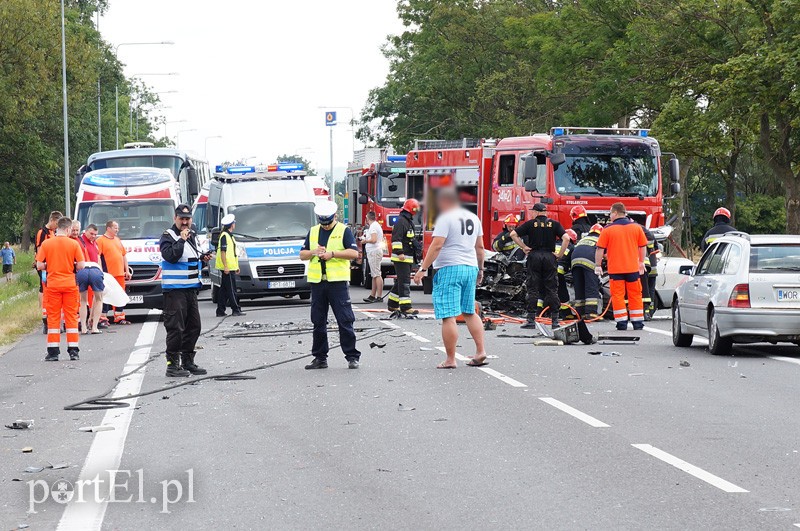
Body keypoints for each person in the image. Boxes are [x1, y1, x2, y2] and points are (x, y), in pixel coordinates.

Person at [413, 188, 487, 369]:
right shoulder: (473, 218)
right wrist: (480, 269)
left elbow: (437, 245)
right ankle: (480, 351)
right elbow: (480, 247)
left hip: (449, 268)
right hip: (470, 267)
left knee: (448, 315)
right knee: (469, 311)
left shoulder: (445, 218)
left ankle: (450, 359)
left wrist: (423, 268)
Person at [300, 201, 361, 370]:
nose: (326, 226)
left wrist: (332, 254)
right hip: (318, 283)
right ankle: (320, 358)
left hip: (337, 283)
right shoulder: (313, 231)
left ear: (335, 216)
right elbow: (302, 254)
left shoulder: (343, 230)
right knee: (318, 321)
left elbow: (354, 253)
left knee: (345, 320)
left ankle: (352, 357)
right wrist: (314, 252)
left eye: (328, 223)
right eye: (323, 223)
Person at [159, 204, 211, 377]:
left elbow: (190, 259)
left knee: (194, 327)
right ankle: (172, 365)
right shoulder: (168, 236)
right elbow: (171, 257)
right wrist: (181, 240)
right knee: (176, 328)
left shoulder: (192, 236)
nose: (184, 222)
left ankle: (187, 361)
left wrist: (203, 259)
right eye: (181, 218)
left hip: (191, 289)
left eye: (187, 219)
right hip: (174, 291)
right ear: (175, 218)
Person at [510, 202, 570, 329]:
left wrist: (524, 247)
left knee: (533, 288)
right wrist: (559, 254)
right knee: (552, 288)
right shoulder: (555, 224)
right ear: (545, 212)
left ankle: (531, 320)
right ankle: (555, 321)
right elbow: (566, 238)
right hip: (549, 257)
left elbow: (513, 234)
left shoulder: (530, 224)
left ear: (536, 212)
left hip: (534, 256)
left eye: (533, 211)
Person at [36, 217, 85, 361]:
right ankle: (73, 351)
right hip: (70, 285)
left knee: (53, 318)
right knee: (71, 317)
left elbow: (39, 265)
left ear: (57, 228)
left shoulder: (47, 243)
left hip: (53, 285)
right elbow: (81, 265)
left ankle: (53, 352)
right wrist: (72, 264)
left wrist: (49, 265)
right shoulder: (73, 244)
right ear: (68, 229)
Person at [595, 203, 648, 331]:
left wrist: (597, 265)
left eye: (610, 213)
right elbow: (642, 246)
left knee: (618, 296)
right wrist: (641, 262)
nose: (610, 216)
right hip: (632, 268)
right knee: (635, 295)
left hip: (616, 269)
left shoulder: (607, 229)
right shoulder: (636, 228)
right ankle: (637, 322)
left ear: (615, 213)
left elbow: (600, 249)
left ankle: (621, 323)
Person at [388, 198, 420, 315]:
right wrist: (400, 252)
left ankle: (392, 304)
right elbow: (396, 239)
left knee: (400, 281)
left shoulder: (407, 221)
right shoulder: (401, 221)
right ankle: (405, 307)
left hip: (407, 256)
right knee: (404, 282)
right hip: (401, 257)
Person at [97, 220, 131, 324]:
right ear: (108, 228)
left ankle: (119, 317)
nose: (117, 230)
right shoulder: (100, 241)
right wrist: (100, 271)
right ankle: (103, 318)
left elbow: (123, 255)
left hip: (119, 274)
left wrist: (127, 270)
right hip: (108, 274)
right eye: (115, 228)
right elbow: (98, 256)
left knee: (120, 295)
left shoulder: (117, 240)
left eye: (117, 228)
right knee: (106, 295)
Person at [35, 211, 62, 333]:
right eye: (57, 223)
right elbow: (40, 249)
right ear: (52, 220)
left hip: (52, 265)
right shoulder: (42, 232)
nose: (57, 227)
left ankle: (51, 314)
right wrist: (42, 263)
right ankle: (44, 314)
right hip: (44, 265)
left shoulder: (53, 232)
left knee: (50, 289)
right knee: (44, 287)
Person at [76, 224, 105, 334]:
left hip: (84, 271)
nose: (93, 236)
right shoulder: (80, 241)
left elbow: (98, 257)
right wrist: (101, 272)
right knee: (99, 299)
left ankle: (84, 327)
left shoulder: (94, 243)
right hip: (92, 269)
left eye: (95, 234)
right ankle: (94, 327)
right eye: (91, 233)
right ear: (85, 231)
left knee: (83, 300)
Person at [571, 224, 604, 318]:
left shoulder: (583, 239)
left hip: (575, 262)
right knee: (591, 286)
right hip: (589, 262)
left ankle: (580, 313)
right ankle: (591, 313)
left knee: (579, 287)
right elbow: (604, 255)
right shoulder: (600, 239)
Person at [215, 213, 245, 317]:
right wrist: (226, 266)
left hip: (230, 267)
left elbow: (233, 253)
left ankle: (220, 310)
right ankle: (236, 309)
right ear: (232, 224)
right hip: (227, 267)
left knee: (224, 290)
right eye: (234, 223)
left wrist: (236, 266)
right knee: (232, 289)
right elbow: (223, 252)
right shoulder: (225, 236)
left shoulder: (228, 236)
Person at [361, 211, 385, 303]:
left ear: (367, 218)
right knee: (374, 274)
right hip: (374, 251)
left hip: (374, 252)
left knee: (377, 274)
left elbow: (374, 239)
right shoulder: (375, 225)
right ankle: (372, 295)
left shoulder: (373, 226)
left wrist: (365, 241)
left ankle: (379, 296)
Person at [638, 223, 658, 320]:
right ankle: (649, 312)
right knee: (650, 290)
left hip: (643, 266)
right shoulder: (650, 235)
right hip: (652, 266)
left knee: (643, 289)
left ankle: (645, 312)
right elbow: (656, 248)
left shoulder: (637, 235)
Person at [556, 228, 577, 319]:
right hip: (558, 272)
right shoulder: (571, 247)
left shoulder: (555, 243)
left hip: (545, 270)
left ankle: (539, 312)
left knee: (543, 292)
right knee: (562, 292)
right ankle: (566, 314)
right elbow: (571, 263)